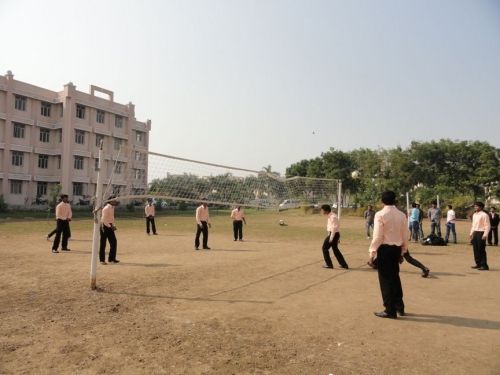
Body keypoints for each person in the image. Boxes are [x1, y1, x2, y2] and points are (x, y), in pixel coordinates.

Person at [368, 191, 408, 319]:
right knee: (395, 278)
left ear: (382, 201)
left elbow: (378, 236)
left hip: (385, 249)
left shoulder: (380, 214)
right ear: (394, 200)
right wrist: (403, 251)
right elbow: (405, 235)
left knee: (385, 280)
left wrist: (372, 252)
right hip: (396, 249)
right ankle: (399, 307)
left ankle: (389, 310)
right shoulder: (402, 215)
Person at [320, 204, 348, 269]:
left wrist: (331, 238)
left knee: (324, 248)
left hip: (334, 234)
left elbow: (334, 228)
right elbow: (330, 227)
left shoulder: (333, 217)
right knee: (335, 250)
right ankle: (344, 264)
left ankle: (329, 264)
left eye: (323, 210)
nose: (322, 212)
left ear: (326, 211)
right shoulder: (329, 216)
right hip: (334, 234)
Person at [470, 201, 490, 271]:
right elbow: (473, 225)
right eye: (475, 206)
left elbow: (487, 226)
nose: (475, 207)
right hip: (475, 233)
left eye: (477, 206)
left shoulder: (484, 215)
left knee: (481, 249)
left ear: (481, 207)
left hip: (481, 233)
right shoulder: (474, 215)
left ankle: (484, 265)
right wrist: (471, 233)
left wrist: (485, 235)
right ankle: (478, 263)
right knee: (475, 249)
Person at [99, 196, 120, 264]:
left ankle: (111, 259)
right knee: (103, 243)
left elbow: (111, 218)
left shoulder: (112, 207)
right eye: (114, 200)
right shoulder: (106, 208)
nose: (116, 201)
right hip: (104, 226)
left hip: (109, 225)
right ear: (110, 201)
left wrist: (113, 225)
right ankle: (102, 260)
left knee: (113, 242)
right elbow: (104, 220)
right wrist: (110, 226)